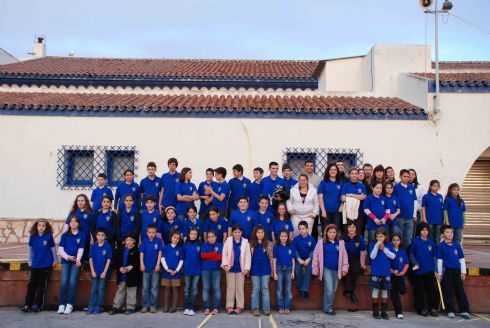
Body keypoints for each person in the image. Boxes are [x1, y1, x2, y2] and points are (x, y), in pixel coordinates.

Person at [312, 224, 349, 315]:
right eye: (330, 232)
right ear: (326, 233)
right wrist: (315, 269)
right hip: (326, 269)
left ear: (337, 233)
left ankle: (328, 306)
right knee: (329, 288)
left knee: (334, 289)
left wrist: (344, 269)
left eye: (334, 232)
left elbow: (344, 257)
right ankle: (328, 308)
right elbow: (316, 256)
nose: (332, 234)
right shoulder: (321, 243)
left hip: (337, 269)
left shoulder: (340, 243)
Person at [22, 219, 57, 312]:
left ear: (46, 227)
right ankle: (27, 304)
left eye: (43, 225)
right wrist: (29, 260)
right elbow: (30, 249)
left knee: (42, 285)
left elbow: (53, 249)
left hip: (46, 264)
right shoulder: (33, 236)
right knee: (32, 285)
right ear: (36, 227)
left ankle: (37, 305)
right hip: (35, 264)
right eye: (39, 225)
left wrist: (55, 260)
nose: (41, 227)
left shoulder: (49, 236)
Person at [436, 225, 471, 319]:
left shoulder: (457, 244)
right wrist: (439, 273)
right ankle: (450, 310)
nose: (450, 234)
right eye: (447, 232)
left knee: (460, 290)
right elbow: (439, 260)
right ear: (442, 234)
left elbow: (461, 259)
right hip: (447, 271)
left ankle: (464, 310)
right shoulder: (440, 246)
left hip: (457, 271)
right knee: (447, 290)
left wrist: (463, 272)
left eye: (451, 232)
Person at [57, 216, 86, 315]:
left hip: (76, 262)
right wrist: (67, 257)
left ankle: (69, 304)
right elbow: (60, 249)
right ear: (69, 224)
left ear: (78, 223)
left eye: (75, 221)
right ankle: (61, 304)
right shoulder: (65, 235)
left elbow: (81, 249)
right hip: (66, 261)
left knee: (72, 282)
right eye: (71, 222)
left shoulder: (82, 235)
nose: (73, 223)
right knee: (64, 282)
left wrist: (77, 259)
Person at [409, 222, 439, 317]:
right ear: (419, 231)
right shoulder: (415, 242)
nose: (425, 232)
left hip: (429, 271)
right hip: (418, 272)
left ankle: (433, 308)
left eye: (426, 230)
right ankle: (421, 309)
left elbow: (435, 256)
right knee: (419, 291)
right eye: (423, 230)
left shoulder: (431, 242)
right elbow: (411, 254)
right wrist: (415, 263)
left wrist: (436, 269)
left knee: (431, 291)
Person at [222, 225, 251, 314]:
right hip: (230, 268)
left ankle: (239, 306)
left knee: (239, 288)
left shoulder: (245, 242)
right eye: (235, 232)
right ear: (232, 233)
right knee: (230, 288)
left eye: (238, 232)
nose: (237, 234)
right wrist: (225, 264)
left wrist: (247, 268)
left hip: (240, 269)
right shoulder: (228, 241)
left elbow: (248, 256)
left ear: (241, 233)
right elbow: (224, 253)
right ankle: (229, 306)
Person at [109, 233, 141, 315]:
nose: (129, 241)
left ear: (134, 241)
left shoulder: (137, 251)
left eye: (131, 240)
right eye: (127, 240)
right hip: (122, 275)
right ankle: (116, 307)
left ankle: (130, 307)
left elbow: (138, 262)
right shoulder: (120, 250)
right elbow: (115, 262)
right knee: (120, 291)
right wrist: (119, 268)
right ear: (124, 241)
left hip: (132, 275)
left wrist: (132, 266)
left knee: (131, 291)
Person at [368, 227, 395, 320]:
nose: (379, 238)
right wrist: (376, 246)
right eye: (377, 236)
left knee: (384, 291)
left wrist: (384, 249)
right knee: (375, 290)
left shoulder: (389, 245)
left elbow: (393, 256)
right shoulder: (372, 244)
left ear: (385, 237)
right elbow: (372, 256)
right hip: (376, 271)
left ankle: (384, 311)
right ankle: (375, 311)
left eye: (381, 236)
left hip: (385, 272)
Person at [139, 225, 163, 313]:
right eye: (149, 232)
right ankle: (145, 305)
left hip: (155, 268)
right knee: (145, 288)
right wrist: (142, 264)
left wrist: (158, 265)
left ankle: (153, 305)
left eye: (153, 232)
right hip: (146, 268)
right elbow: (141, 253)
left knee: (154, 287)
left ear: (156, 233)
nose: (151, 234)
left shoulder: (159, 241)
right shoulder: (144, 241)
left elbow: (160, 253)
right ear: (147, 233)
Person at [249, 226, 273, 316]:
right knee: (255, 289)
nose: (260, 234)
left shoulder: (268, 244)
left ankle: (266, 308)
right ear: (255, 234)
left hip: (265, 270)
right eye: (258, 233)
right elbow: (248, 258)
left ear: (264, 234)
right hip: (255, 270)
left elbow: (271, 258)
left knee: (265, 289)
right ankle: (255, 308)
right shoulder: (251, 244)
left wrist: (272, 271)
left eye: (262, 232)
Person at [87, 228, 112, 314]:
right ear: (96, 236)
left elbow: (108, 260)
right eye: (99, 235)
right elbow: (91, 259)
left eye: (102, 235)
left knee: (101, 289)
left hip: (103, 273)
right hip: (95, 272)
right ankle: (91, 306)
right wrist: (93, 271)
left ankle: (98, 306)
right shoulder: (93, 246)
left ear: (105, 237)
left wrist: (104, 272)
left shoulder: (107, 246)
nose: (100, 237)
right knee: (93, 289)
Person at [342, 222, 366, 306]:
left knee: (356, 270)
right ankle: (351, 292)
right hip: (345, 259)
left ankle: (348, 291)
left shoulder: (360, 237)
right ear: (347, 228)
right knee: (346, 272)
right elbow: (341, 252)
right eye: (349, 227)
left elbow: (363, 252)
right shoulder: (342, 237)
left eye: (353, 227)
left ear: (356, 228)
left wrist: (362, 263)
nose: (351, 229)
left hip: (355, 259)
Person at [161, 230, 184, 313]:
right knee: (166, 288)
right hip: (166, 272)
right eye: (174, 237)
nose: (176, 239)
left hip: (176, 273)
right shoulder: (166, 247)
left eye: (178, 238)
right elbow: (162, 259)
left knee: (175, 289)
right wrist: (167, 269)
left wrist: (176, 270)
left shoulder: (180, 249)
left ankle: (174, 307)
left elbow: (181, 261)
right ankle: (165, 307)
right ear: (171, 237)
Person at [200, 230, 223, 315]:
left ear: (216, 237)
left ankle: (216, 308)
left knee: (216, 289)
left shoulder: (219, 245)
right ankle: (206, 307)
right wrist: (214, 253)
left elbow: (220, 257)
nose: (211, 239)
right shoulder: (204, 245)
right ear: (207, 238)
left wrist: (208, 255)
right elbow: (202, 256)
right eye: (209, 237)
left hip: (216, 270)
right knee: (206, 289)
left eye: (213, 236)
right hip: (205, 270)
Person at [292, 221, 316, 300]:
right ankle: (303, 290)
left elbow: (313, 251)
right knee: (298, 269)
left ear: (307, 229)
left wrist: (309, 259)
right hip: (299, 259)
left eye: (303, 228)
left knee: (309, 270)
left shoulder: (311, 239)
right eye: (300, 229)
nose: (302, 230)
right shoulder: (296, 239)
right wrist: (299, 259)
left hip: (308, 259)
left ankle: (303, 290)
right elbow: (294, 250)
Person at [273, 229, 295, 314]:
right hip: (279, 269)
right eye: (282, 236)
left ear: (288, 237)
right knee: (279, 289)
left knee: (288, 290)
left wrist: (293, 272)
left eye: (285, 236)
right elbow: (274, 260)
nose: (283, 238)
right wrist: (274, 273)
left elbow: (293, 260)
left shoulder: (291, 247)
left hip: (289, 269)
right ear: (279, 237)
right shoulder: (276, 247)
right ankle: (281, 307)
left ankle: (287, 307)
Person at [394, 169, 417, 248]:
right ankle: (400, 255)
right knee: (399, 237)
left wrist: (414, 214)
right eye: (404, 176)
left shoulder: (411, 187)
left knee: (408, 238)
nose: (406, 178)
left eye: (408, 176)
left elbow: (414, 201)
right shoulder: (396, 187)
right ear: (400, 177)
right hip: (400, 217)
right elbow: (394, 201)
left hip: (409, 217)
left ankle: (406, 255)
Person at [65, 194, 92, 259]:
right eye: (78, 201)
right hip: (73, 238)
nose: (80, 202)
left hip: (86, 238)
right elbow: (67, 224)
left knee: (84, 256)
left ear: (86, 202)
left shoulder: (90, 213)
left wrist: (92, 239)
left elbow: (92, 227)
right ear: (76, 202)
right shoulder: (73, 212)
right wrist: (65, 235)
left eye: (82, 201)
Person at [318, 163, 343, 234]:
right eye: (331, 169)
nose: (333, 171)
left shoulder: (340, 183)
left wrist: (341, 206)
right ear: (328, 171)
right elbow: (320, 198)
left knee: (336, 231)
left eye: (335, 169)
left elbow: (343, 196)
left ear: (337, 171)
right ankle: (325, 245)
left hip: (337, 211)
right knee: (325, 231)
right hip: (325, 211)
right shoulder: (323, 183)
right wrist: (323, 210)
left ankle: (336, 245)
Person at [183, 227, 201, 316]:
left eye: (195, 234)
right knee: (187, 289)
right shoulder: (185, 245)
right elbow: (182, 257)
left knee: (194, 289)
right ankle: (186, 307)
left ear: (197, 235)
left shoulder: (200, 245)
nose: (193, 235)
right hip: (187, 270)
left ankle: (192, 307)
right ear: (188, 234)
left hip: (197, 270)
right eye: (191, 234)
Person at [390, 233, 409, 319]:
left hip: (400, 275)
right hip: (392, 275)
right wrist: (392, 271)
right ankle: (399, 312)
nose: (396, 242)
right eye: (394, 240)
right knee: (394, 294)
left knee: (403, 291)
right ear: (391, 241)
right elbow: (386, 263)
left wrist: (403, 272)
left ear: (400, 241)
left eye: (397, 240)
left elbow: (406, 263)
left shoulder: (402, 251)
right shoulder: (389, 250)